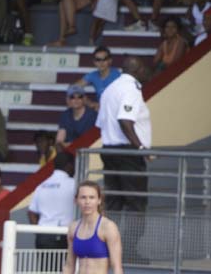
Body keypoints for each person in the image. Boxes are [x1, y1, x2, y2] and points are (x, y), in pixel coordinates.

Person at [98, 56, 151, 213]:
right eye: (143, 69)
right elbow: (125, 120)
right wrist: (140, 147)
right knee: (136, 203)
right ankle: (129, 238)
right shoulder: (131, 88)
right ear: (136, 70)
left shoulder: (110, 88)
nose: (146, 72)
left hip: (108, 150)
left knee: (114, 202)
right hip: (127, 154)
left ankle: (110, 237)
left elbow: (101, 124)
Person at [63, 180, 123, 274]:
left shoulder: (108, 227)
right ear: (76, 200)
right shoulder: (73, 228)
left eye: (92, 197)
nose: (87, 202)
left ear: (99, 200)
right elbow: (69, 266)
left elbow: (117, 267)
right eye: (83, 197)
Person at [29, 151, 76, 250]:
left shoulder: (42, 185)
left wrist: (38, 232)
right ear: (69, 165)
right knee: (64, 265)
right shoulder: (74, 185)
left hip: (43, 235)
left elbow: (31, 212)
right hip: (64, 235)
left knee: (45, 266)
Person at [57, 85, 97, 149]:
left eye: (80, 97)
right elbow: (60, 139)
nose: (76, 99)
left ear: (84, 99)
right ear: (68, 100)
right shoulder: (65, 115)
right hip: (70, 150)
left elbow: (94, 140)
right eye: (72, 97)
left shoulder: (93, 116)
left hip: (88, 151)